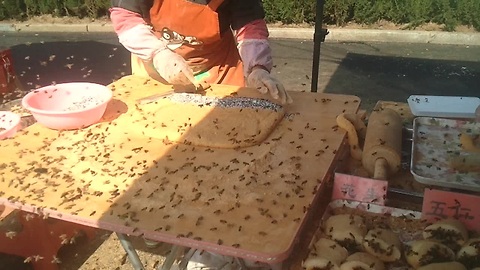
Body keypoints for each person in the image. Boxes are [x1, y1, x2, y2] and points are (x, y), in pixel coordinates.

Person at [109, 0, 292, 104]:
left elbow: (250, 25)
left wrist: (257, 67)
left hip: (219, 69)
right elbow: (125, 18)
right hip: (154, 66)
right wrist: (159, 55)